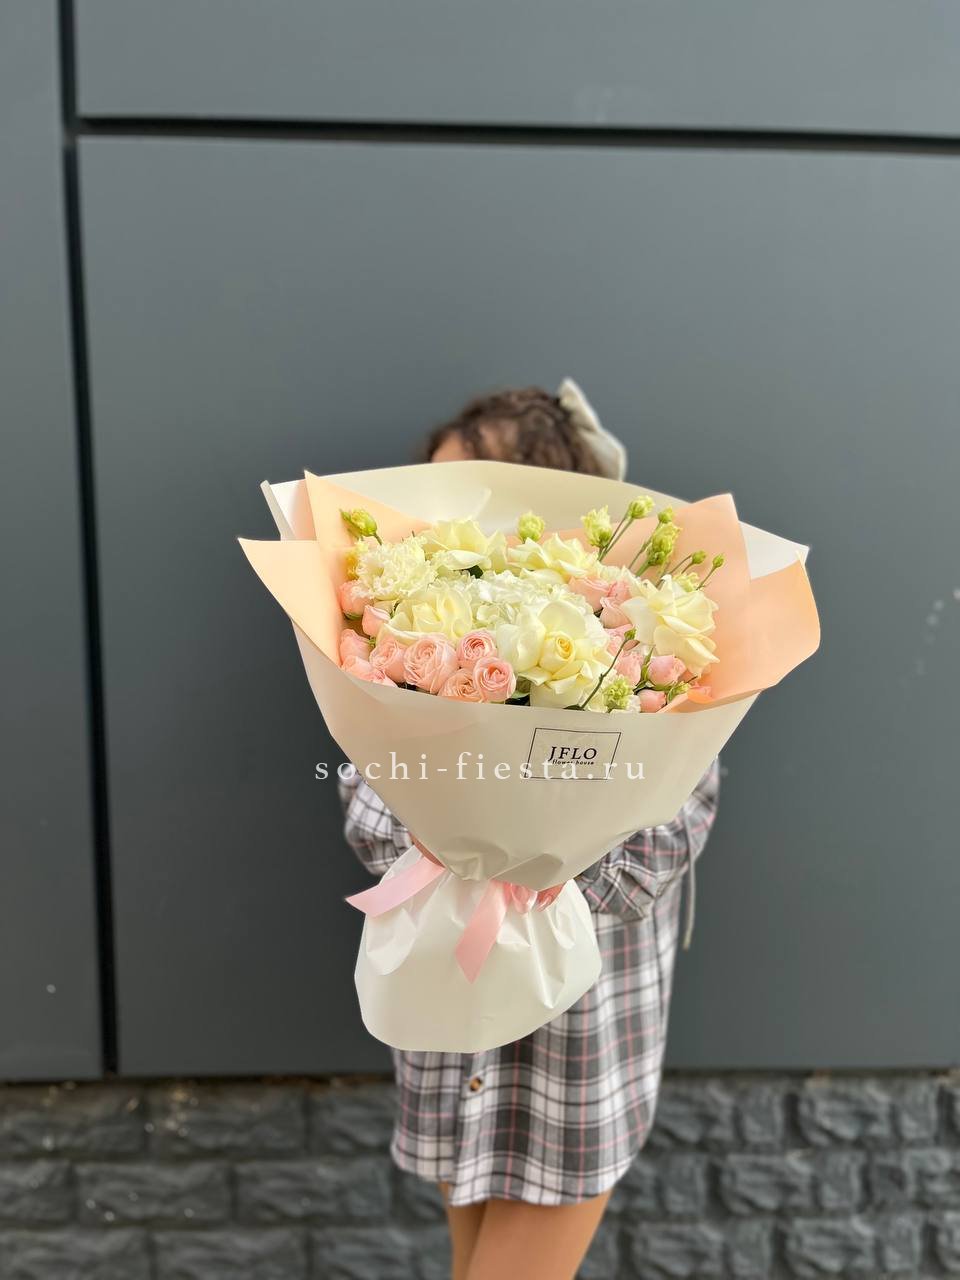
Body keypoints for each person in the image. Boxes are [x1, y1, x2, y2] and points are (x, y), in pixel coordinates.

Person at [338, 380, 720, 1280]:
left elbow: (660, 846)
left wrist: (535, 857)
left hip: (574, 1057)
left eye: (469, 497)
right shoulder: (400, 645)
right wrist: (453, 835)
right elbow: (364, 805)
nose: (441, 523)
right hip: (454, 1029)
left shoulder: (652, 657)